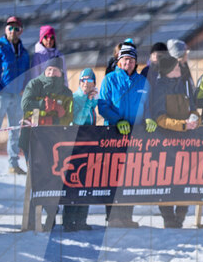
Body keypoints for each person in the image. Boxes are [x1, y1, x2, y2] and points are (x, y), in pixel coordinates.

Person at [98, 42, 150, 228]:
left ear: (136, 62)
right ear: (119, 61)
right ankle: (113, 217)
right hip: (113, 133)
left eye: (131, 59)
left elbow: (148, 105)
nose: (128, 63)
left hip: (135, 135)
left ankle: (127, 216)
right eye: (125, 59)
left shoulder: (143, 81)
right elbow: (102, 105)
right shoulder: (110, 79)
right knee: (112, 176)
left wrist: (149, 119)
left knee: (130, 177)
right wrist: (117, 120)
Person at [22, 59, 77, 230]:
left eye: (56, 70)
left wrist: (58, 115)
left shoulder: (66, 92)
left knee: (53, 179)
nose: (52, 73)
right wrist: (41, 105)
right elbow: (25, 105)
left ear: (61, 72)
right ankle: (31, 220)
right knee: (37, 178)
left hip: (55, 141)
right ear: (45, 71)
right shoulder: (35, 84)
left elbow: (69, 118)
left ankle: (51, 216)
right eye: (49, 70)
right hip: (33, 139)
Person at [146, 53, 199, 229]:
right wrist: (183, 125)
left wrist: (195, 118)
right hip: (166, 141)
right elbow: (160, 118)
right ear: (169, 71)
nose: (179, 69)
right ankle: (168, 217)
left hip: (186, 141)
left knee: (187, 178)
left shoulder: (185, 85)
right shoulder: (159, 88)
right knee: (166, 179)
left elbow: (193, 108)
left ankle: (181, 214)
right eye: (176, 67)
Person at [0, 16, 30, 175]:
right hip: (0, 95)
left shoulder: (23, 51)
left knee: (15, 130)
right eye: (10, 28)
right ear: (5, 29)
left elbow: (26, 73)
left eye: (16, 28)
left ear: (21, 31)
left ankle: (13, 164)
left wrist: (24, 88)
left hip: (16, 95)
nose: (13, 31)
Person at [68, 68, 98, 231]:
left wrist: (94, 101)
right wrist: (88, 102)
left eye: (91, 81)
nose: (87, 84)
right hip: (75, 143)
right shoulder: (76, 98)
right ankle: (69, 220)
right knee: (74, 181)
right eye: (84, 81)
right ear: (80, 82)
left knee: (87, 182)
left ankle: (81, 219)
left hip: (89, 143)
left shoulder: (91, 99)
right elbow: (78, 120)